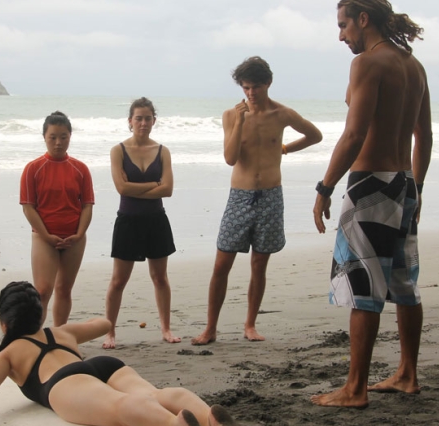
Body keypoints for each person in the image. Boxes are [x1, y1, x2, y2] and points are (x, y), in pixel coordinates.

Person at [0, 281, 251, 426]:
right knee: (154, 393)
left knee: (122, 407)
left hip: (66, 384)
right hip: (103, 365)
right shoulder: (60, 332)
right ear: (40, 316)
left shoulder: (9, 354)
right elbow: (104, 324)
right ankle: (211, 418)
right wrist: (66, 326)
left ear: (3, 323)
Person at [311, 0, 432, 408]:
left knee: (363, 287)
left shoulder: (368, 63)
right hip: (403, 182)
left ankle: (355, 389)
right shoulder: (413, 66)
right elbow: (425, 136)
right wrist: (415, 186)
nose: (341, 34)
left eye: (343, 25)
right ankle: (407, 374)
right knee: (402, 283)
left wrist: (325, 186)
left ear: (364, 19)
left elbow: (353, 135)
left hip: (371, 185)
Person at [191, 56, 323, 345]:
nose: (250, 94)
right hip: (240, 197)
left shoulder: (282, 114)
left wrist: (285, 148)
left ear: (268, 84)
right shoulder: (231, 115)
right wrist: (239, 121)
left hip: (271, 196)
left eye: (256, 87)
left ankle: (250, 324)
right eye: (245, 88)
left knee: (259, 263)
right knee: (221, 263)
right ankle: (210, 328)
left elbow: (315, 135)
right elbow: (230, 158)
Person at [102, 97, 179, 349]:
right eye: (138, 118)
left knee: (160, 278)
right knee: (118, 281)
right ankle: (109, 331)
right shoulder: (118, 151)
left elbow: (168, 190)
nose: (143, 123)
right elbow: (121, 188)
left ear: (154, 121)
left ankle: (166, 329)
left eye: (147, 118)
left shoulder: (162, 151)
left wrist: (141, 188)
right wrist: (153, 185)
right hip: (128, 222)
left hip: (156, 221)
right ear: (130, 121)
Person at [20, 112, 94, 327]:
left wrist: (79, 234)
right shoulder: (33, 168)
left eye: (63, 136)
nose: (58, 142)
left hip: (74, 237)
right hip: (44, 237)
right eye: (53, 137)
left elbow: (87, 205)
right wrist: (47, 236)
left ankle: (59, 336)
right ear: (44, 136)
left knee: (64, 289)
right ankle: (36, 337)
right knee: (43, 290)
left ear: (70, 136)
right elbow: (28, 207)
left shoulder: (80, 169)